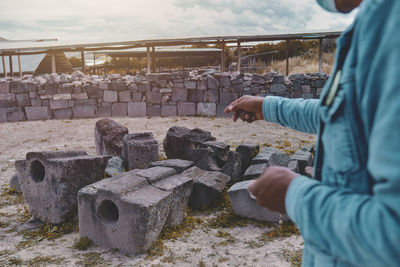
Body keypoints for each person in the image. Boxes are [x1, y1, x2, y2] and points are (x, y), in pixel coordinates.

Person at [224, 0, 400, 266]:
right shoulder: (375, 22)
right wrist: (268, 107)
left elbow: (392, 235)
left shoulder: (391, 27)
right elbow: (348, 118)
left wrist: (294, 196)